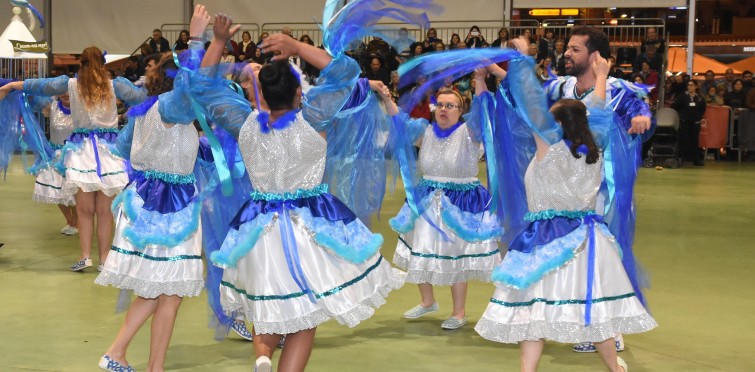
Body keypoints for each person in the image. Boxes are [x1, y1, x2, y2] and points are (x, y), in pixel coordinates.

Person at [189, 8, 410, 371]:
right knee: (305, 315)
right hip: (309, 226)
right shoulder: (313, 119)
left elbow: (201, 86)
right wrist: (295, 45)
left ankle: (263, 356)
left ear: (260, 92)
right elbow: (346, 71)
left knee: (269, 303)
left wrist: (217, 41)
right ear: (298, 93)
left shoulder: (243, 123)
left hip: (258, 228)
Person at [474, 38, 656, 372]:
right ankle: (614, 367)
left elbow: (530, 100)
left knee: (534, 309)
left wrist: (523, 58)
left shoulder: (548, 147)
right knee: (595, 307)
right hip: (588, 238)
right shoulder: (595, 150)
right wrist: (602, 76)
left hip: (545, 238)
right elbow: (599, 113)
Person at [94, 10, 208, 368]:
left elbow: (125, 149)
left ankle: (143, 361)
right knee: (166, 289)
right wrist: (198, 42)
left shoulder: (148, 111)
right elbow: (190, 87)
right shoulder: (173, 106)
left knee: (163, 291)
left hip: (147, 201)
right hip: (168, 208)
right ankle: (120, 352)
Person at [542, 26, 653, 353]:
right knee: (578, 252)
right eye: (567, 48)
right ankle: (585, 317)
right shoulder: (560, 87)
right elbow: (529, 103)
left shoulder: (619, 91)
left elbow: (640, 110)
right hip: (568, 186)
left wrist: (643, 118)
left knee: (608, 251)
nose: (566, 54)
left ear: (595, 56)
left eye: (575, 49)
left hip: (604, 187)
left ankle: (611, 325)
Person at [0, 46, 147, 272]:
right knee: (105, 211)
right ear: (102, 63)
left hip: (81, 152)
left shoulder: (70, 84)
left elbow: (39, 85)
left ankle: (85, 256)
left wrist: (11, 85)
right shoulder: (114, 85)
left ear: (81, 64)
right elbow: (141, 98)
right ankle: (104, 259)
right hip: (109, 152)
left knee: (84, 210)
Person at [389, 85, 502, 330]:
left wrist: (481, 82)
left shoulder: (469, 132)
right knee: (419, 248)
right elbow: (398, 120)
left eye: (450, 106)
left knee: (455, 256)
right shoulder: (426, 131)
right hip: (427, 197)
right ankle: (427, 301)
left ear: (461, 111)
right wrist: (387, 98)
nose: (443, 109)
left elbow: (484, 111)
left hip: (460, 201)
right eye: (440, 105)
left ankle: (458, 313)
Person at [29, 94, 78, 234]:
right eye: (63, 92)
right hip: (54, 154)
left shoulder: (81, 108)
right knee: (56, 189)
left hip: (74, 155)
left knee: (74, 191)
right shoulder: (52, 106)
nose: (67, 95)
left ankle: (77, 222)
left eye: (69, 92)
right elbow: (32, 99)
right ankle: (69, 221)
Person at [673, 80, 706, 166]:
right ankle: (681, 159)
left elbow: (703, 108)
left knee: (695, 141)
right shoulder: (682, 97)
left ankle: (696, 159)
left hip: (695, 122)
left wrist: (699, 117)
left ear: (695, 87)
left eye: (691, 85)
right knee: (684, 140)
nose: (689, 87)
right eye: (688, 85)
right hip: (685, 122)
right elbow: (675, 106)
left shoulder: (700, 98)